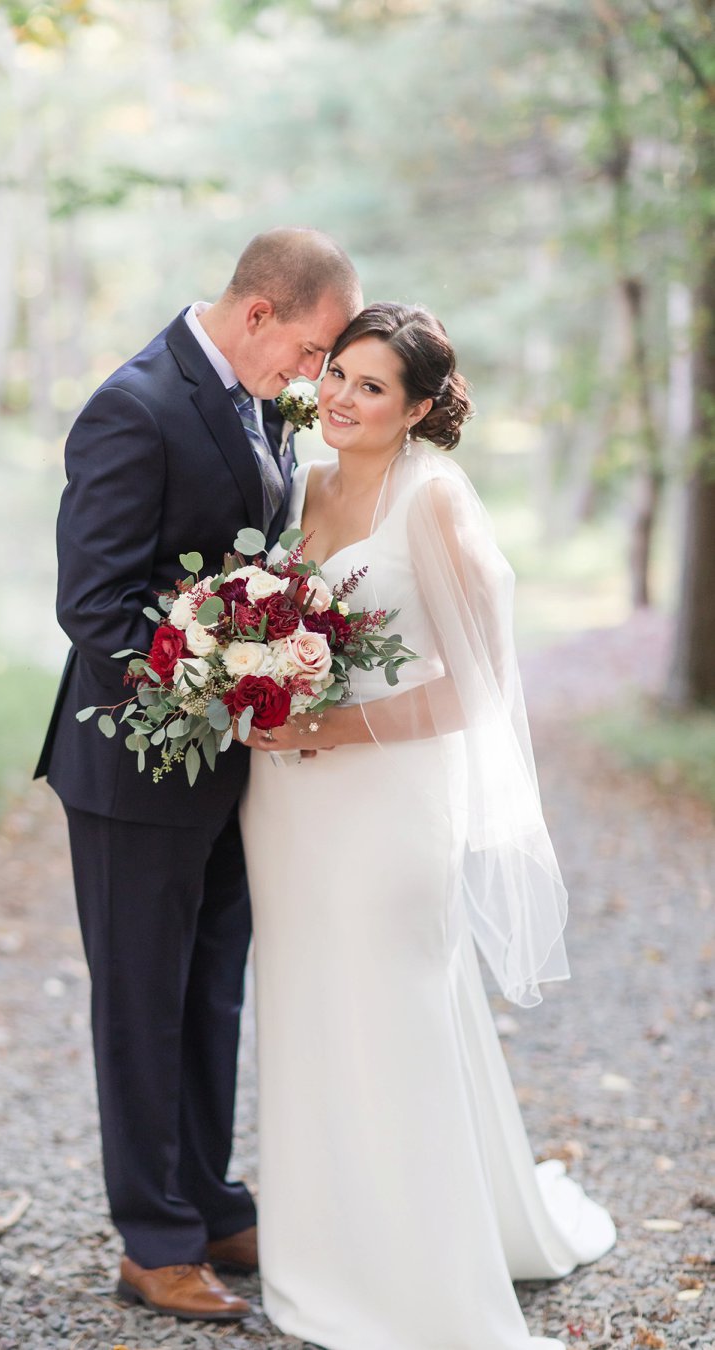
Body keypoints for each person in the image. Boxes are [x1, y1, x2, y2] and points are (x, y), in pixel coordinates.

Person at [241, 302, 616, 1350]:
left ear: (416, 410)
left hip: (389, 797)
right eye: (341, 377)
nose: (345, 401)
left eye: (373, 388)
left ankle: (423, 1277)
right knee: (308, 1008)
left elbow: (477, 692)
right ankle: (324, 1254)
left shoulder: (435, 502)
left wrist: (329, 722)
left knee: (395, 1008)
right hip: (288, 802)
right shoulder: (301, 486)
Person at [34, 228, 362, 1322]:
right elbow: (95, 608)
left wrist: (269, 670)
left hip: (229, 771)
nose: (313, 377)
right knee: (142, 1004)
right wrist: (217, 685)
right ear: (260, 313)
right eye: (312, 351)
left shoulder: (254, 399)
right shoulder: (134, 403)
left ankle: (210, 1198)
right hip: (135, 773)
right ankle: (154, 1241)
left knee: (209, 991)